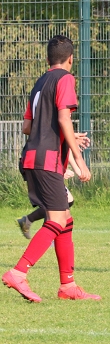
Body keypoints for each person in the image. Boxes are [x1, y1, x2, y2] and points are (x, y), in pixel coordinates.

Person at [2, 35, 97, 302]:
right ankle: (18, 273)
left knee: (65, 220)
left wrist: (67, 136)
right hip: (48, 161)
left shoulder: (39, 84)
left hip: (32, 158)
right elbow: (63, 118)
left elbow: (28, 127)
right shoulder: (65, 79)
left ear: (47, 60)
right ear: (70, 59)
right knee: (56, 220)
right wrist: (79, 160)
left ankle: (68, 286)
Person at [17, 142, 89, 240]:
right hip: (41, 165)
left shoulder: (54, 132)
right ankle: (48, 235)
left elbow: (66, 148)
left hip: (45, 165)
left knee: (66, 201)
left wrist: (76, 170)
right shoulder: (51, 130)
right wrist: (60, 171)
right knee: (55, 205)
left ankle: (29, 221)